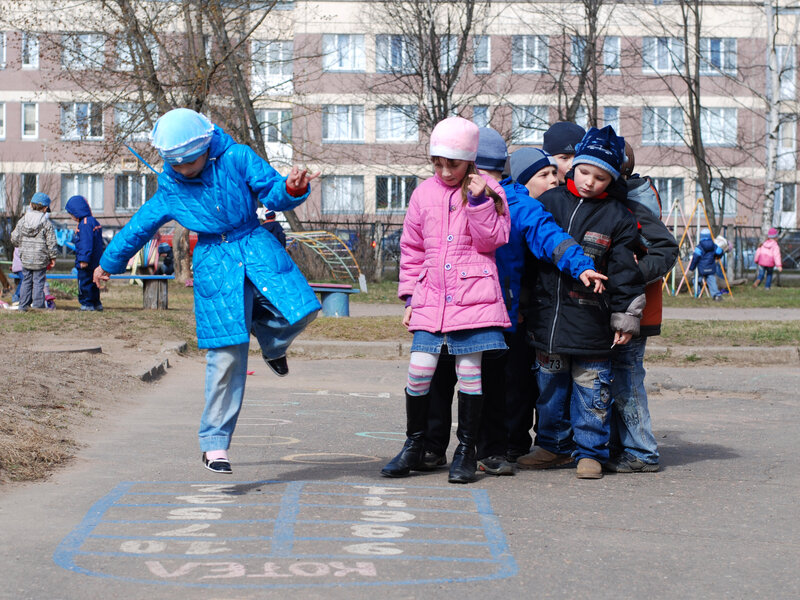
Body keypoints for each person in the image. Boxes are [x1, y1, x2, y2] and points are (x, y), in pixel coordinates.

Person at [93, 108, 321, 474]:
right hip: (215, 264)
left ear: (207, 146)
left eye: (190, 162)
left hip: (255, 245)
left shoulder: (238, 156)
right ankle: (214, 443)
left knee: (303, 310)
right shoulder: (170, 186)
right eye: (176, 164)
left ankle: (273, 343)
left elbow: (274, 192)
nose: (184, 170)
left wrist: (293, 187)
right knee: (227, 356)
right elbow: (139, 227)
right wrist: (108, 263)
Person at [419, 136, 607, 478]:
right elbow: (420, 247)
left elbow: (548, 235)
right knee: (439, 377)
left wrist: (580, 265)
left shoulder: (515, 202)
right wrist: (414, 296)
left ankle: (494, 448)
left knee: (494, 383)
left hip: (493, 311)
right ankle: (431, 447)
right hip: (445, 309)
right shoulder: (439, 196)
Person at [380, 116, 511, 484]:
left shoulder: (490, 191)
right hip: (431, 299)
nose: (444, 170)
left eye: (452, 163)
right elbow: (412, 248)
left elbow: (492, 240)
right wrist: (409, 296)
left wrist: (480, 201)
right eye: (437, 162)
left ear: (469, 159)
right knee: (419, 371)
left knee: (469, 374)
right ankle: (413, 444)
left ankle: (466, 452)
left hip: (473, 299)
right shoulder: (423, 193)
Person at [518, 125, 645, 479]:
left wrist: (626, 318)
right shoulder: (548, 204)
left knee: (592, 391)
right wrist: (523, 305)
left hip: (592, 322)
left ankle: (591, 451)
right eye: (584, 171)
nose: (589, 182)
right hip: (548, 320)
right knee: (549, 389)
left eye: (600, 177)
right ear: (573, 167)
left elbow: (625, 274)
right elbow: (528, 263)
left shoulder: (618, 217)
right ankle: (551, 446)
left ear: (611, 180)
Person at [606, 143, 679, 473]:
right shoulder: (615, 201)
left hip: (637, 312)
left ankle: (641, 450)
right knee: (616, 378)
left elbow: (665, 249)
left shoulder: (633, 205)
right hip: (619, 310)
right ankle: (621, 445)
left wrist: (630, 274)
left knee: (626, 378)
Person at [11, 192, 58, 311]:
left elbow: (14, 238)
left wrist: (21, 245)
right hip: (40, 258)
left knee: (26, 281)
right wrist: (52, 257)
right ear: (45, 208)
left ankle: (23, 305)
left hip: (25, 258)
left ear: (31, 205)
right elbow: (51, 242)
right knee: (38, 282)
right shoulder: (46, 223)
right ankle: (37, 306)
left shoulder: (22, 221)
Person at [64, 195, 105, 311]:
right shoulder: (93, 221)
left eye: (72, 214)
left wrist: (83, 259)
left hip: (87, 262)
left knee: (84, 283)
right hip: (95, 261)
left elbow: (85, 243)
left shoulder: (85, 224)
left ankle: (87, 303)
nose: (71, 217)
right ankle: (96, 303)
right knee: (94, 283)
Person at [687, 228, 724, 300]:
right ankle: (716, 295)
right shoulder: (714, 246)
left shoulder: (699, 247)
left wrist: (692, 268)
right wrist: (718, 256)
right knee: (712, 281)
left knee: (696, 280)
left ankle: (697, 293)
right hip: (711, 267)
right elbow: (720, 251)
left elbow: (695, 258)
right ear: (710, 236)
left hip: (701, 268)